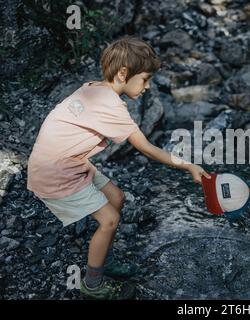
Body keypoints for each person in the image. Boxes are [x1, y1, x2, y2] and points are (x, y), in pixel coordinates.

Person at [26, 36, 211, 299]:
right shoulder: (111, 106)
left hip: (66, 162)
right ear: (124, 74)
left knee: (117, 197)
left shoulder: (93, 89)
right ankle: (92, 284)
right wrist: (189, 166)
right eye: (145, 79)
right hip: (57, 173)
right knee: (110, 220)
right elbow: (146, 148)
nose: (147, 87)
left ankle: (104, 257)